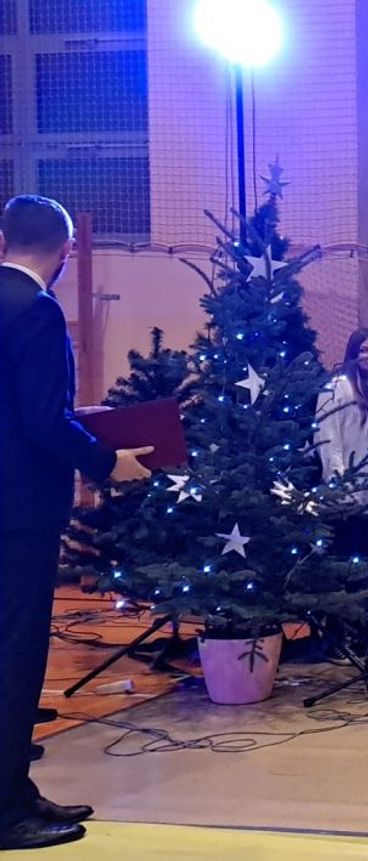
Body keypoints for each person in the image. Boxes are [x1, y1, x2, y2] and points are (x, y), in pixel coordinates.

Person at [0, 194, 152, 850]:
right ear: (65, 251)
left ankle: (14, 790)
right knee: (15, 656)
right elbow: (41, 420)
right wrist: (107, 460)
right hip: (20, 513)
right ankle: (6, 811)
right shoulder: (35, 310)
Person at [315, 328, 368, 558]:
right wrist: (342, 488)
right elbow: (328, 441)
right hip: (346, 497)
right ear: (353, 354)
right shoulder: (337, 387)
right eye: (364, 350)